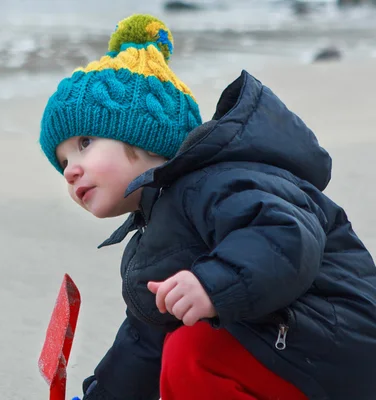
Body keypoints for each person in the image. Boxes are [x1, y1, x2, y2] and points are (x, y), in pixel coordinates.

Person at [38, 13, 376, 400]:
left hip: (338, 342)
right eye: (62, 162)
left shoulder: (217, 183)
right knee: (171, 340)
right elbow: (142, 345)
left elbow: (286, 235)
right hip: (291, 355)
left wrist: (214, 285)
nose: (70, 171)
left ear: (147, 139)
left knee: (192, 351)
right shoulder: (155, 237)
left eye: (84, 143)